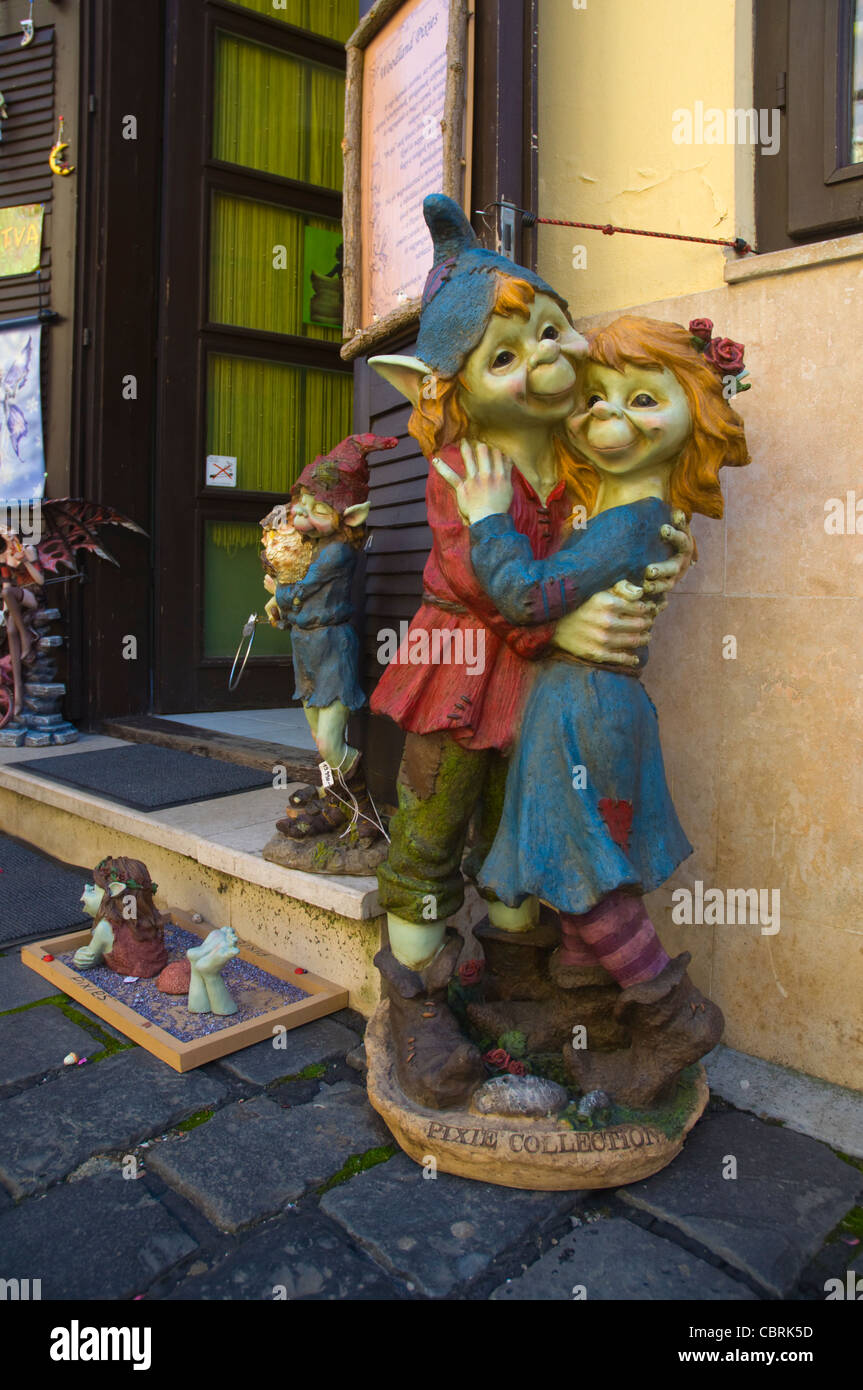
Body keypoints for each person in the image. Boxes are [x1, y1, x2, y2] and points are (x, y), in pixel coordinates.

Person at [367, 195, 694, 1109]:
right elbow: (472, 576)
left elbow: (624, 525)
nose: (544, 360)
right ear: (449, 387)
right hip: (460, 677)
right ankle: (418, 1003)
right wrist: (561, 627)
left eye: (551, 331)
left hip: (546, 694)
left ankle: (517, 975)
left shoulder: (583, 453)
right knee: (434, 832)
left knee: (522, 834)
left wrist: (662, 550)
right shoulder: (461, 471)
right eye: (503, 356)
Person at [434, 314, 751, 1105]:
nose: (609, 415)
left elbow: (528, 595)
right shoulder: (640, 517)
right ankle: (587, 1019)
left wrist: (484, 514)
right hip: (590, 703)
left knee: (586, 871)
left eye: (643, 399)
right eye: (596, 398)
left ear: (697, 418)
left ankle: (674, 1019)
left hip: (581, 708)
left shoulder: (628, 523)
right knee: (576, 864)